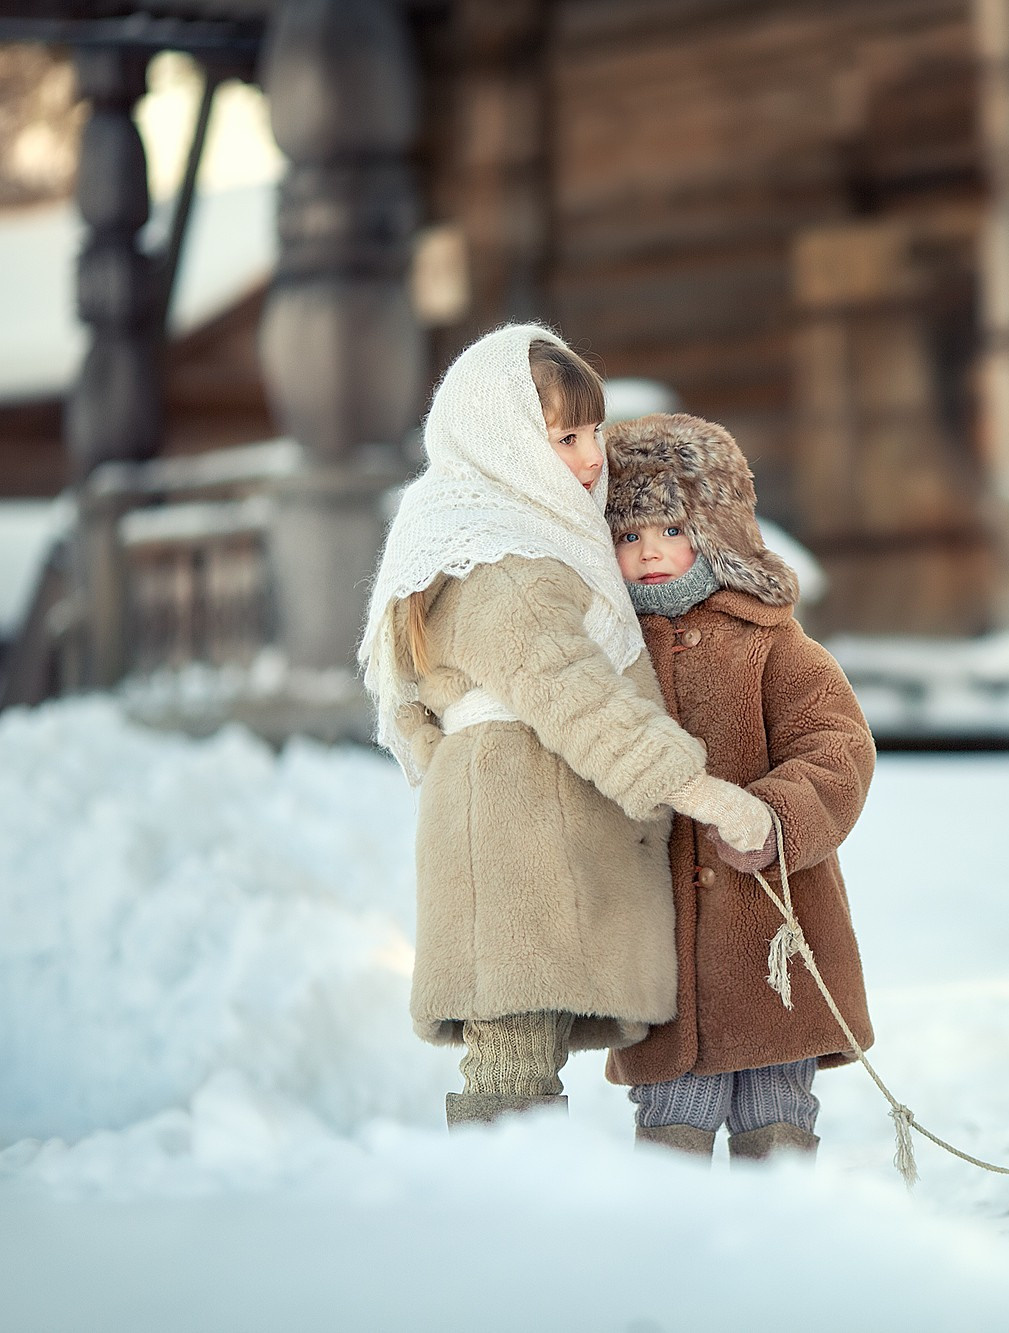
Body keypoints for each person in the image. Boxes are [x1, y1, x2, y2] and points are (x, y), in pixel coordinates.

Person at [356, 323, 776, 1129]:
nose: (594, 458)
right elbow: (579, 699)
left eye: (593, 431)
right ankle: (503, 1229)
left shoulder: (490, 535)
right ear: (503, 440)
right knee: (512, 1071)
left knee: (520, 1059)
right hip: (519, 853)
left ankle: (519, 1224)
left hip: (520, 835)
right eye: (566, 436)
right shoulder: (500, 561)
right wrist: (704, 793)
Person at [599, 410, 876, 1165]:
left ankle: (781, 1253)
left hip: (772, 944)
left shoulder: (770, 641)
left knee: (775, 1107)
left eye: (671, 528)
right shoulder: (611, 658)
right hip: (663, 949)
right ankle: (679, 1261)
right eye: (627, 535)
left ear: (714, 529)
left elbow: (838, 745)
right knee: (671, 1113)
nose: (649, 550)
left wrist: (780, 813)